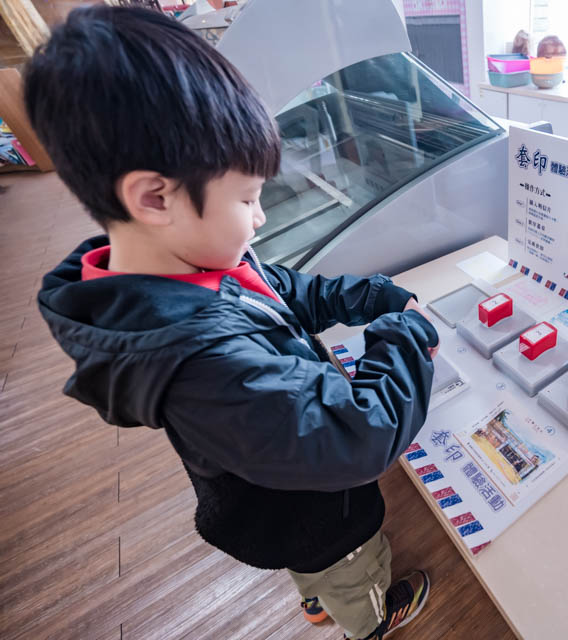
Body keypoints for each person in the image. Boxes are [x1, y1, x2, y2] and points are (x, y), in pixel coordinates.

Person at [26, 6, 439, 639]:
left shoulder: (183, 269)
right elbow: (356, 438)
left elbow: (288, 292)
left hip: (278, 487)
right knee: (350, 567)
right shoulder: (200, 361)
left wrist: (373, 297)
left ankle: (317, 598)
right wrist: (406, 336)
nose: (261, 218)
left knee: (314, 566)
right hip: (315, 513)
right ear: (154, 198)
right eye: (247, 198)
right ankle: (371, 620)